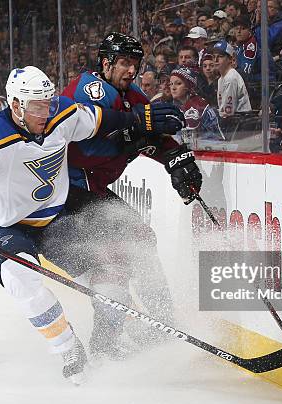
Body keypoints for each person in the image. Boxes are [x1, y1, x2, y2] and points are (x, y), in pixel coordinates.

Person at [0, 66, 185, 385]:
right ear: (15, 105)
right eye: (37, 106)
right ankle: (68, 348)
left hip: (53, 221)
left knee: (112, 272)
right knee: (22, 279)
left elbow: (100, 120)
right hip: (8, 228)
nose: (46, 111)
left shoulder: (62, 114)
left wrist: (140, 118)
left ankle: (106, 345)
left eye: (48, 102)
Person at [60, 33, 201, 360]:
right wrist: (135, 135)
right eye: (123, 63)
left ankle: (163, 321)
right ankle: (106, 347)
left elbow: (152, 133)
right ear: (106, 63)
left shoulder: (133, 94)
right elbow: (88, 146)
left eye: (135, 65)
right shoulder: (90, 88)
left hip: (90, 188)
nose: (130, 70)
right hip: (66, 189)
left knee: (141, 242)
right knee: (117, 260)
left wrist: (178, 160)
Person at [170, 65, 224, 144]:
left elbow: (215, 138)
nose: (173, 88)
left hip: (208, 150)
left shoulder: (199, 106)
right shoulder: (174, 106)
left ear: (189, 86)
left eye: (178, 83)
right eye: (171, 84)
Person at [213, 40, 252, 118]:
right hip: (234, 121)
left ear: (230, 59)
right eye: (214, 56)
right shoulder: (221, 78)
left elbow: (228, 113)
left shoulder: (231, 78)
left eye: (220, 56)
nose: (215, 60)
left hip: (241, 122)